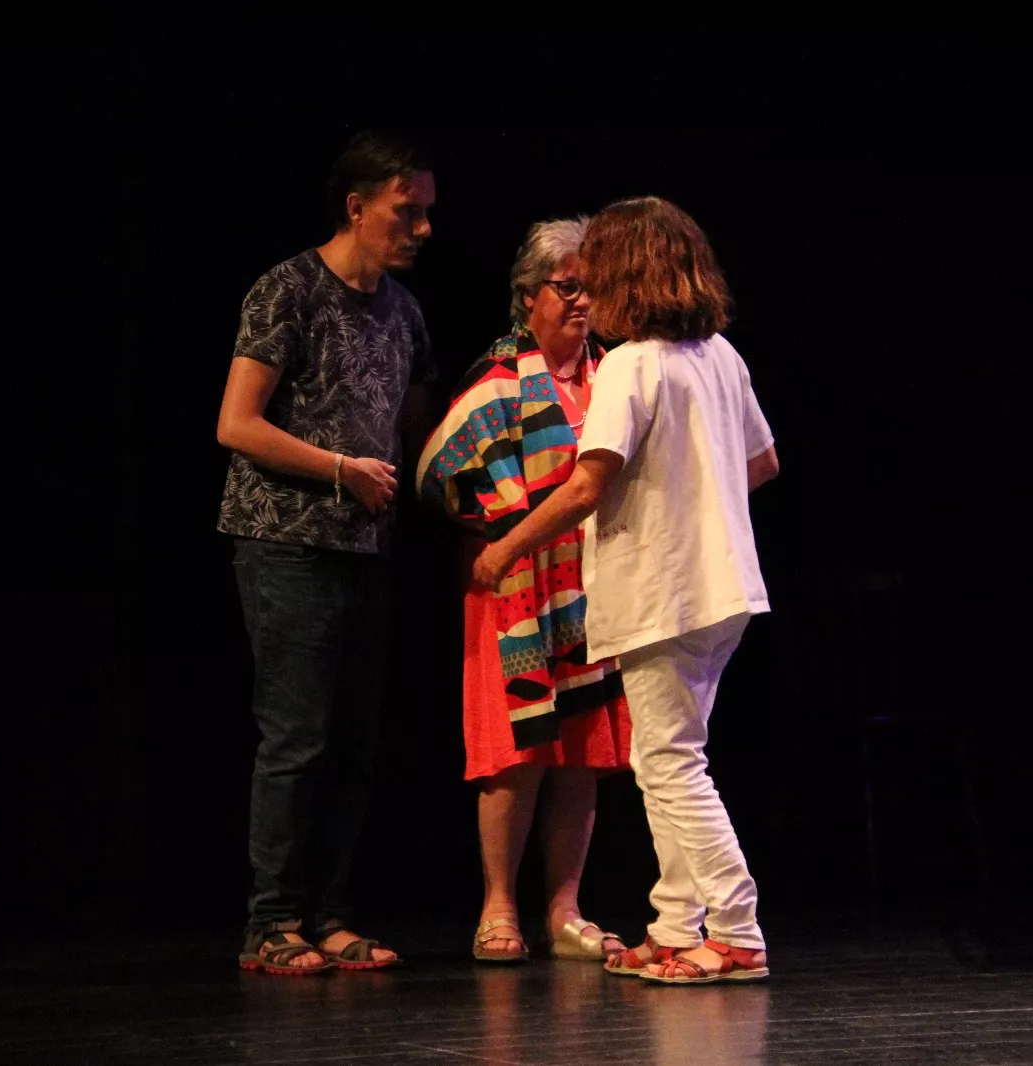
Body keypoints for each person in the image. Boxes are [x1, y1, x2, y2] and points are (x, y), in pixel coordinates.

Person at [472, 196, 780, 984]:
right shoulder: (720, 355)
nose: (586, 291)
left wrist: (506, 546)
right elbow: (762, 464)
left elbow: (585, 486)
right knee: (666, 754)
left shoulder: (633, 364)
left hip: (664, 591)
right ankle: (677, 924)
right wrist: (694, 494)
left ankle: (737, 929)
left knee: (672, 763)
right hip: (724, 589)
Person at [216, 131, 436, 974]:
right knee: (297, 738)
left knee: (353, 742)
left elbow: (417, 437)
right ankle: (270, 924)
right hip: (286, 544)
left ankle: (331, 914)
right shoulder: (288, 290)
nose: (420, 228)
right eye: (405, 211)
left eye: (426, 213)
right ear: (356, 205)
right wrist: (341, 470)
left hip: (367, 551)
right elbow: (236, 424)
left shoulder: (404, 312)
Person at [417, 219, 631, 965]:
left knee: (580, 750)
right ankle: (498, 907)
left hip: (596, 583)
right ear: (527, 296)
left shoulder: (615, 371)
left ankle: (565, 911)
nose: (582, 301)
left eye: (591, 288)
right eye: (567, 287)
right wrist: (509, 526)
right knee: (518, 751)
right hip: (517, 584)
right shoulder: (498, 379)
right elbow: (440, 470)